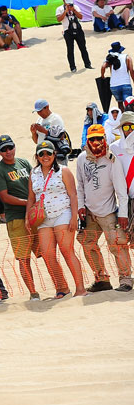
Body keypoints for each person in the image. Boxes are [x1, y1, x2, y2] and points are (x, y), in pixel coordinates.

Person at [74, 124, 132, 293]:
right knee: (87, 243)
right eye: (92, 139)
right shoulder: (81, 158)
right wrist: (80, 206)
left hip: (109, 213)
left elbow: (121, 190)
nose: (96, 142)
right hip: (89, 213)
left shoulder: (112, 160)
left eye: (100, 138)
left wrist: (122, 214)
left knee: (117, 245)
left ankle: (126, 280)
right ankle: (102, 279)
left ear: (105, 139)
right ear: (87, 141)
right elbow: (80, 185)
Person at [27, 141, 87, 299]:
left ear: (54, 154)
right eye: (41, 154)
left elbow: (73, 195)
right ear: (37, 156)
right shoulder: (33, 173)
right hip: (43, 218)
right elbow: (31, 197)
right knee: (47, 254)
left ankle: (80, 289)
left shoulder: (64, 171)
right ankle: (62, 288)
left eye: (48, 153)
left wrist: (74, 217)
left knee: (67, 251)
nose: (45, 157)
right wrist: (28, 217)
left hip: (63, 213)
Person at [0, 135, 39, 299]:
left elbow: (35, 183)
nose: (8, 151)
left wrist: (34, 204)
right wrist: (28, 203)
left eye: (10, 147)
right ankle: (33, 293)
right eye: (3, 149)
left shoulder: (24, 162)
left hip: (35, 216)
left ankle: (60, 286)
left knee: (46, 252)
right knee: (24, 259)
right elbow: (4, 197)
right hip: (16, 218)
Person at [56, 0, 92, 73]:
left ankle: (87, 64)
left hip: (78, 30)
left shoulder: (76, 7)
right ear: (63, 1)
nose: (69, 4)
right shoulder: (59, 9)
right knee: (70, 50)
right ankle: (73, 67)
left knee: (83, 48)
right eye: (67, 2)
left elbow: (81, 17)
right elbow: (59, 19)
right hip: (67, 31)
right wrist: (65, 11)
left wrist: (74, 10)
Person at [101, 41, 134, 105]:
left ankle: (122, 114)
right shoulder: (127, 57)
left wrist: (102, 76)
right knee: (129, 104)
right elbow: (131, 71)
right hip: (125, 83)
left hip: (114, 85)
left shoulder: (110, 58)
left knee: (120, 103)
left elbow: (103, 67)